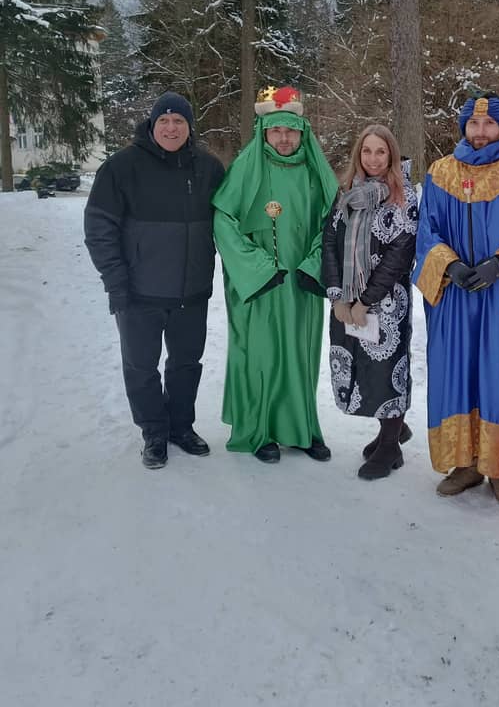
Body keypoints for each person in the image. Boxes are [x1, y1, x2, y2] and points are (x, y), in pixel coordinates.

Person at [414, 92, 499, 505]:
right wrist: (448, 265)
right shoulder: (439, 173)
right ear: (463, 127)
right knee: (456, 373)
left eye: (488, 124)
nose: (480, 131)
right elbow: (426, 230)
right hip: (453, 296)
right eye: (473, 123)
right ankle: (465, 463)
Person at [84, 92, 225, 469]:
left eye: (179, 121)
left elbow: (232, 220)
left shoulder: (209, 168)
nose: (171, 127)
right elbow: (99, 230)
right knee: (140, 367)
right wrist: (116, 283)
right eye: (164, 120)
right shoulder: (120, 168)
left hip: (191, 292)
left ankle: (180, 427)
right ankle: (154, 432)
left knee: (186, 363)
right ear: (152, 124)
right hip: (138, 294)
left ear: (190, 126)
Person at [212, 85, 338, 464]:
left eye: (291, 131)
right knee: (261, 356)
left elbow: (333, 223)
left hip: (300, 283)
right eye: (276, 131)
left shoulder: (315, 172)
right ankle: (259, 431)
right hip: (263, 285)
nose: (284, 139)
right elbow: (223, 220)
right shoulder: (247, 167)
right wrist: (258, 269)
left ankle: (300, 429)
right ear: (263, 132)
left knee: (300, 355)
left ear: (302, 132)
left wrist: (314, 265)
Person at [322, 124, 419, 479]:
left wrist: (366, 301)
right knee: (360, 368)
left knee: (386, 370)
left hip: (386, 302)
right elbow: (329, 243)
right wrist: (337, 296)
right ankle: (392, 430)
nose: (373, 159)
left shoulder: (403, 196)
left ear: (391, 155)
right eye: (367, 151)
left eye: (381, 151)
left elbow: (399, 255)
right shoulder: (346, 191)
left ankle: (391, 445)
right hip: (347, 300)